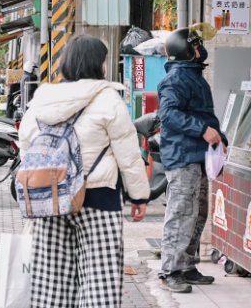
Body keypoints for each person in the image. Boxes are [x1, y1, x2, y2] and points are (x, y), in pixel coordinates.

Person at [19, 34, 150, 307]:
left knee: (51, 283)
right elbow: (128, 155)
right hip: (99, 200)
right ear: (98, 65)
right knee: (99, 283)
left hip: (52, 198)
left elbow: (27, 145)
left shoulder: (43, 97)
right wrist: (139, 197)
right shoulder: (108, 99)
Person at [157, 26, 226, 293]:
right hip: (183, 155)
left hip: (198, 155)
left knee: (198, 213)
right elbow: (169, 116)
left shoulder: (193, 76)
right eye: (195, 45)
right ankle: (170, 271)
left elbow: (204, 115)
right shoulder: (176, 79)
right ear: (186, 50)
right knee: (181, 213)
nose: (200, 49)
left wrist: (220, 137)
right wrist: (202, 130)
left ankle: (186, 265)